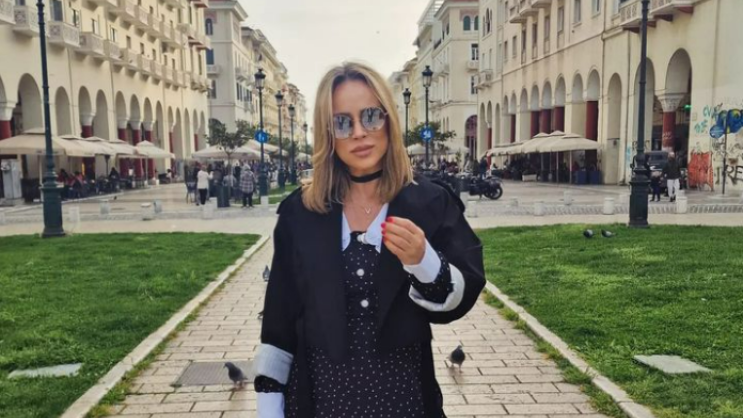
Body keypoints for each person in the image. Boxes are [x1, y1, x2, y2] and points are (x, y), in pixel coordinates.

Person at [252, 62, 485, 417]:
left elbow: (462, 296)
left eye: (371, 116)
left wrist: (424, 261)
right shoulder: (302, 213)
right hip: (321, 399)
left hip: (404, 400)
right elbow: (279, 318)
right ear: (328, 133)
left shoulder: (428, 203)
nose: (359, 132)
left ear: (389, 119)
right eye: (342, 123)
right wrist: (269, 408)